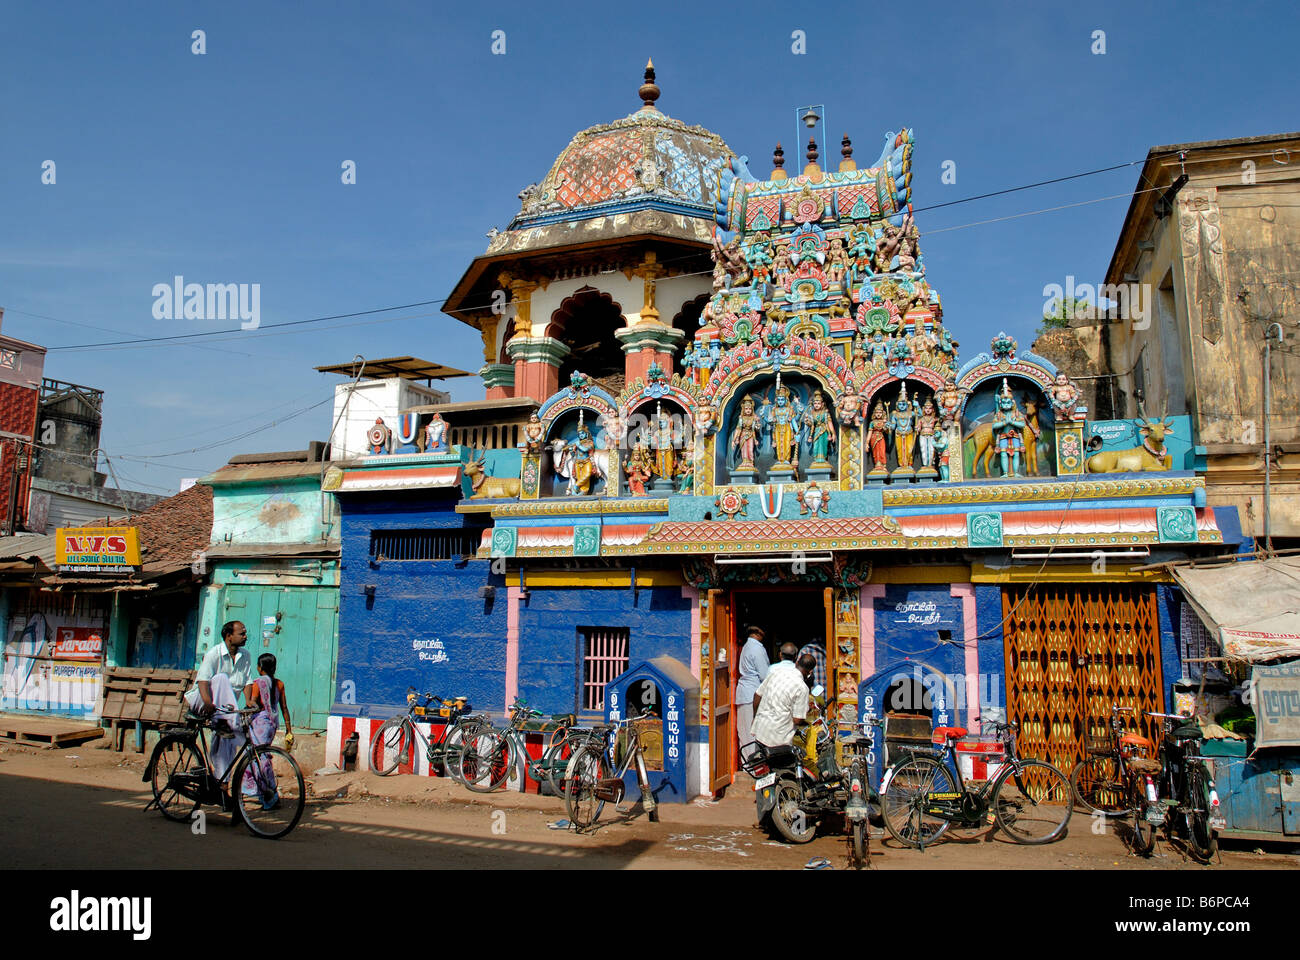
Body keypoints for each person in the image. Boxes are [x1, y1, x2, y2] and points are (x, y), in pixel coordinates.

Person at [184, 621, 253, 790]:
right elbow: (203, 681)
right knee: (221, 678)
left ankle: (222, 784)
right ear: (229, 636)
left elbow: (248, 682)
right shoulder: (214, 654)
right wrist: (208, 702)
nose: (245, 637)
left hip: (224, 710)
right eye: (241, 633)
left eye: (245, 633)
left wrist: (249, 700)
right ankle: (229, 724)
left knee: (226, 744)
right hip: (203, 700)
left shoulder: (245, 656)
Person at [242, 653, 292, 809]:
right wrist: (289, 730)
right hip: (272, 724)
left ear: (260, 667)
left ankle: (270, 795)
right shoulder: (280, 684)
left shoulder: (257, 684)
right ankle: (265, 794)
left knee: (257, 760)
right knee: (262, 757)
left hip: (259, 724)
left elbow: (253, 705)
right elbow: (284, 708)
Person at [751, 645, 815, 748]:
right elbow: (797, 720)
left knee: (761, 760)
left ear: (797, 662)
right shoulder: (802, 687)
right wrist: (805, 711)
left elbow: (757, 695)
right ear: (810, 672)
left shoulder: (776, 672)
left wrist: (755, 717)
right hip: (778, 738)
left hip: (761, 729)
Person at [735, 626, 770, 755]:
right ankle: (753, 767)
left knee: (745, 733)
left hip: (746, 693)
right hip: (752, 695)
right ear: (759, 632)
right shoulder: (757, 648)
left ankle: (749, 767)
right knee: (751, 733)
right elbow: (765, 675)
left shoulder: (747, 647)